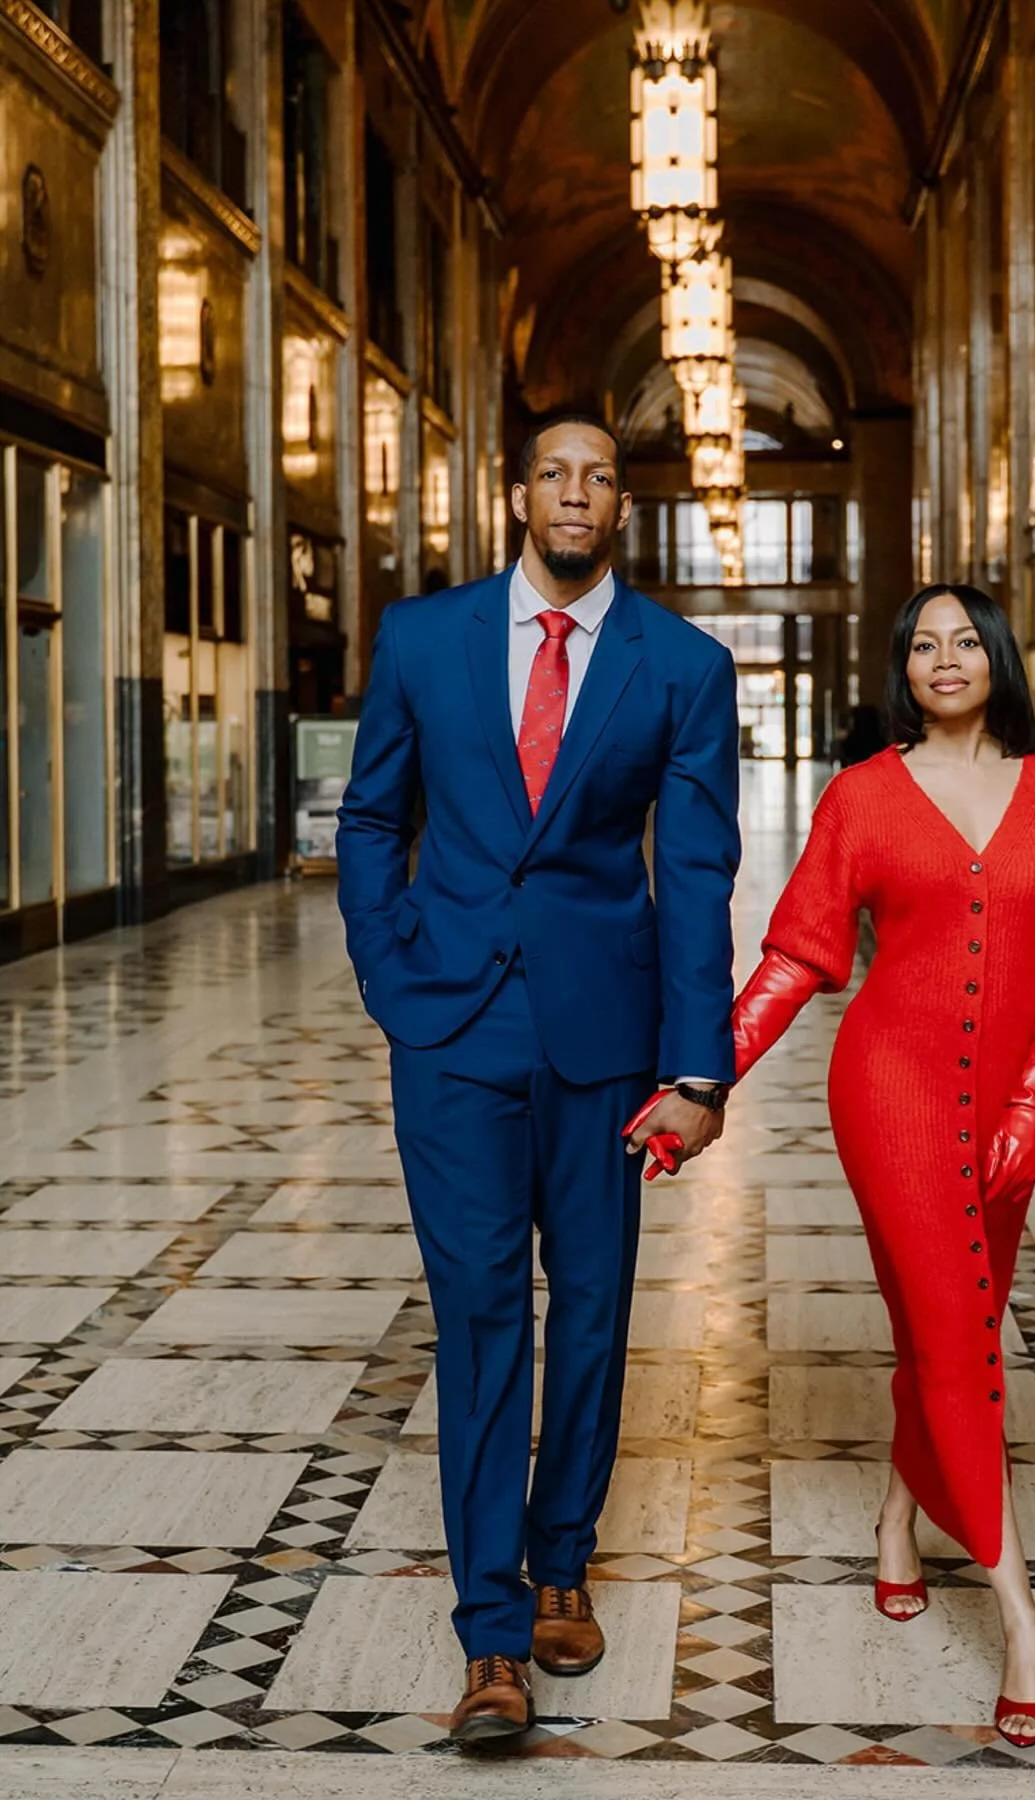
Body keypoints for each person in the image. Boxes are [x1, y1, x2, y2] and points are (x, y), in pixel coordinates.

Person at [335, 416, 740, 1742]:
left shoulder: (678, 664)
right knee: (482, 1314)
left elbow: (692, 868)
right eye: (554, 473)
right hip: (452, 1033)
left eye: (600, 478)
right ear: (520, 496)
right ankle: (492, 1633)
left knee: (597, 1306)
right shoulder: (423, 640)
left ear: (623, 507)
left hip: (605, 1042)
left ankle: (566, 1552)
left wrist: (698, 1065)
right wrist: (395, 983)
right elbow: (374, 817)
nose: (576, 493)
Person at [691, 582, 1035, 1747]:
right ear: (901, 669)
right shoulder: (864, 797)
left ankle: (896, 1519)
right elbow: (795, 955)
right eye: (922, 644)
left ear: (999, 659)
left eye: (965, 639)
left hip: (1010, 1113)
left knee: (959, 1332)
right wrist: (703, 1077)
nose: (944, 658)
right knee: (954, 1334)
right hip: (890, 1093)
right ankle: (1023, 1617)